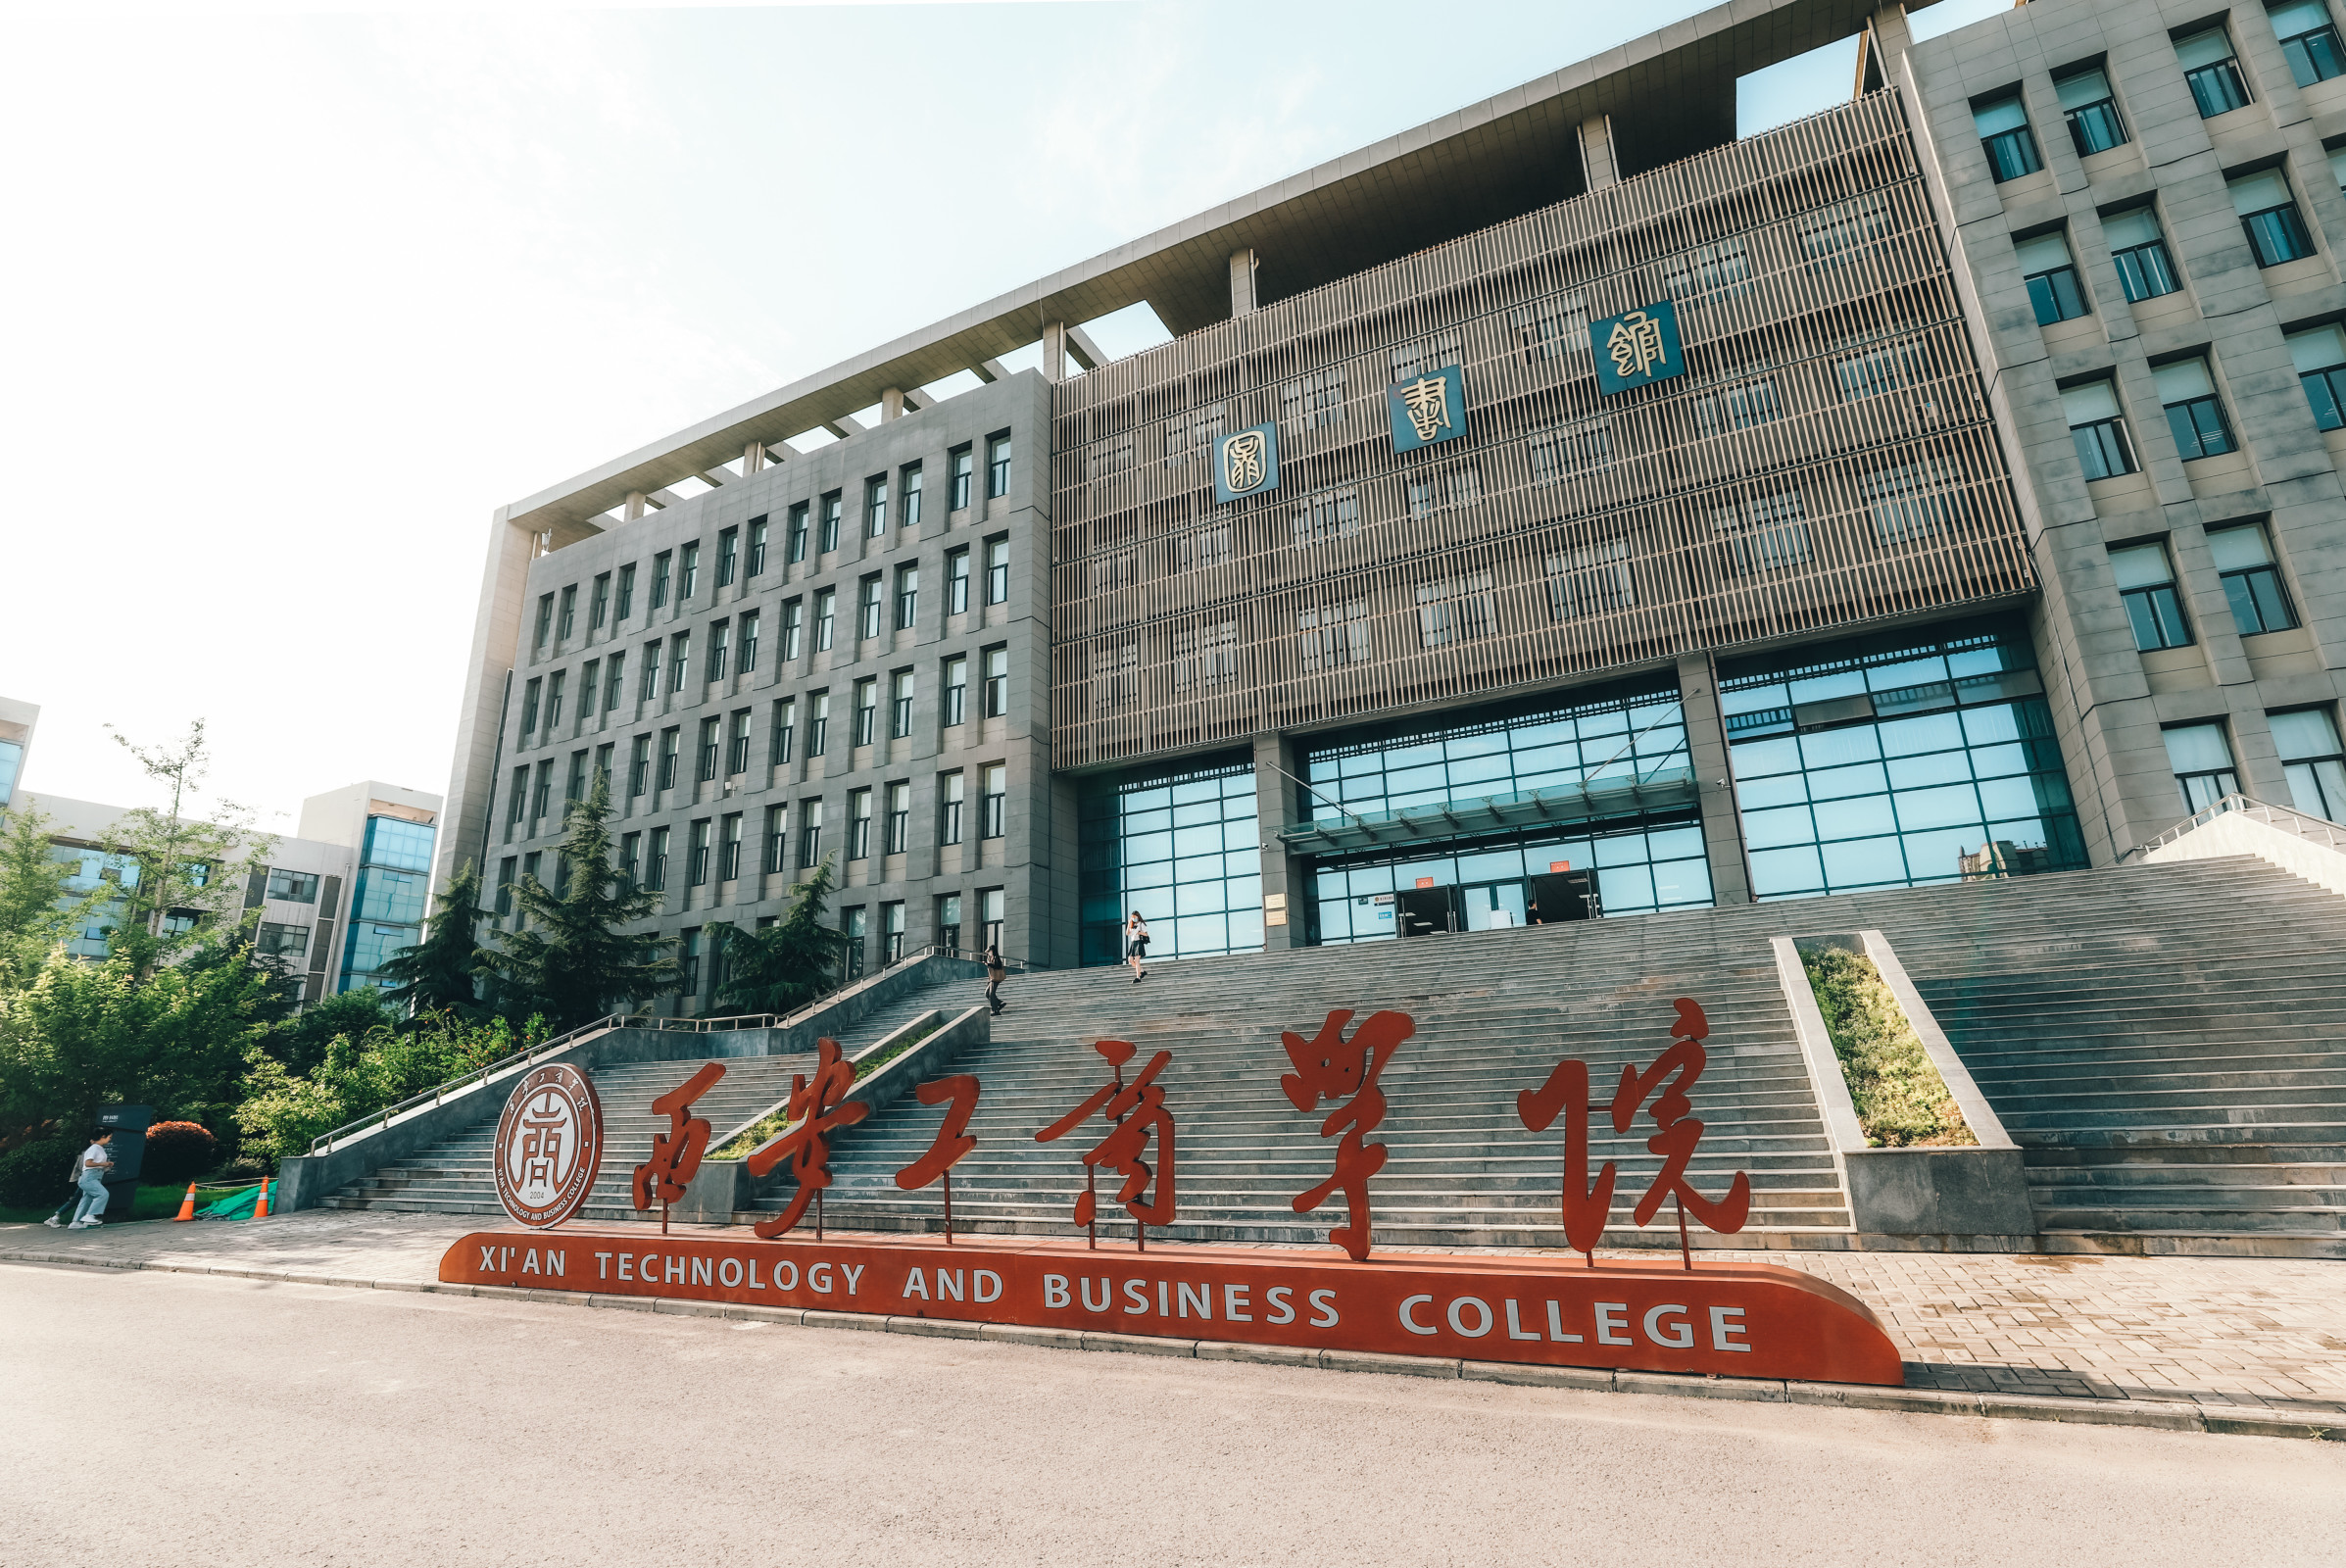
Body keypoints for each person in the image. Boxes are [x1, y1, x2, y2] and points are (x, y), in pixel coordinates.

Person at [66, 1131, 114, 1230]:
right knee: (103, 1194)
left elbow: (94, 1164)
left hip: (93, 1177)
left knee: (86, 1200)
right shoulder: (94, 1148)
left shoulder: (99, 1148)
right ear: (103, 1136)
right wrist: (103, 1164)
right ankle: (90, 1215)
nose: (110, 1139)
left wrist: (105, 1165)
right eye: (109, 1137)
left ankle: (76, 1222)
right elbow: (88, 1163)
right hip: (89, 1177)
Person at [1125, 910, 1150, 984]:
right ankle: (1142, 971)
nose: (1133, 918)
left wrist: (1139, 932)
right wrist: (1129, 923)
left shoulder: (1141, 924)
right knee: (1130, 960)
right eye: (1132, 917)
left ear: (1138, 916)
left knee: (1136, 960)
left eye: (1134, 917)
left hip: (1139, 942)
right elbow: (1127, 933)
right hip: (1133, 943)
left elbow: (1146, 934)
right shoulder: (1131, 925)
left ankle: (1138, 977)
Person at [983, 941, 1007, 1016]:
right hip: (992, 978)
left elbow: (998, 966)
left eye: (989, 951)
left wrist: (989, 964)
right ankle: (999, 1003)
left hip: (995, 978)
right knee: (987, 993)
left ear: (992, 951)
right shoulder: (991, 958)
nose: (988, 953)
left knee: (991, 994)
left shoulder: (996, 958)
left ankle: (996, 1010)